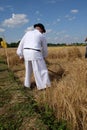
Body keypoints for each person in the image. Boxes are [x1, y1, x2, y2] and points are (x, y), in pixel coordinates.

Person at [16, 23, 51, 90]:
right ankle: (43, 87)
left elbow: (21, 44)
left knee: (28, 70)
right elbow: (45, 49)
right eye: (42, 31)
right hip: (35, 53)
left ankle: (27, 85)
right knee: (41, 70)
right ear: (41, 29)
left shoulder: (27, 33)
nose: (42, 33)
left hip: (26, 52)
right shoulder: (41, 36)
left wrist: (20, 55)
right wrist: (44, 56)